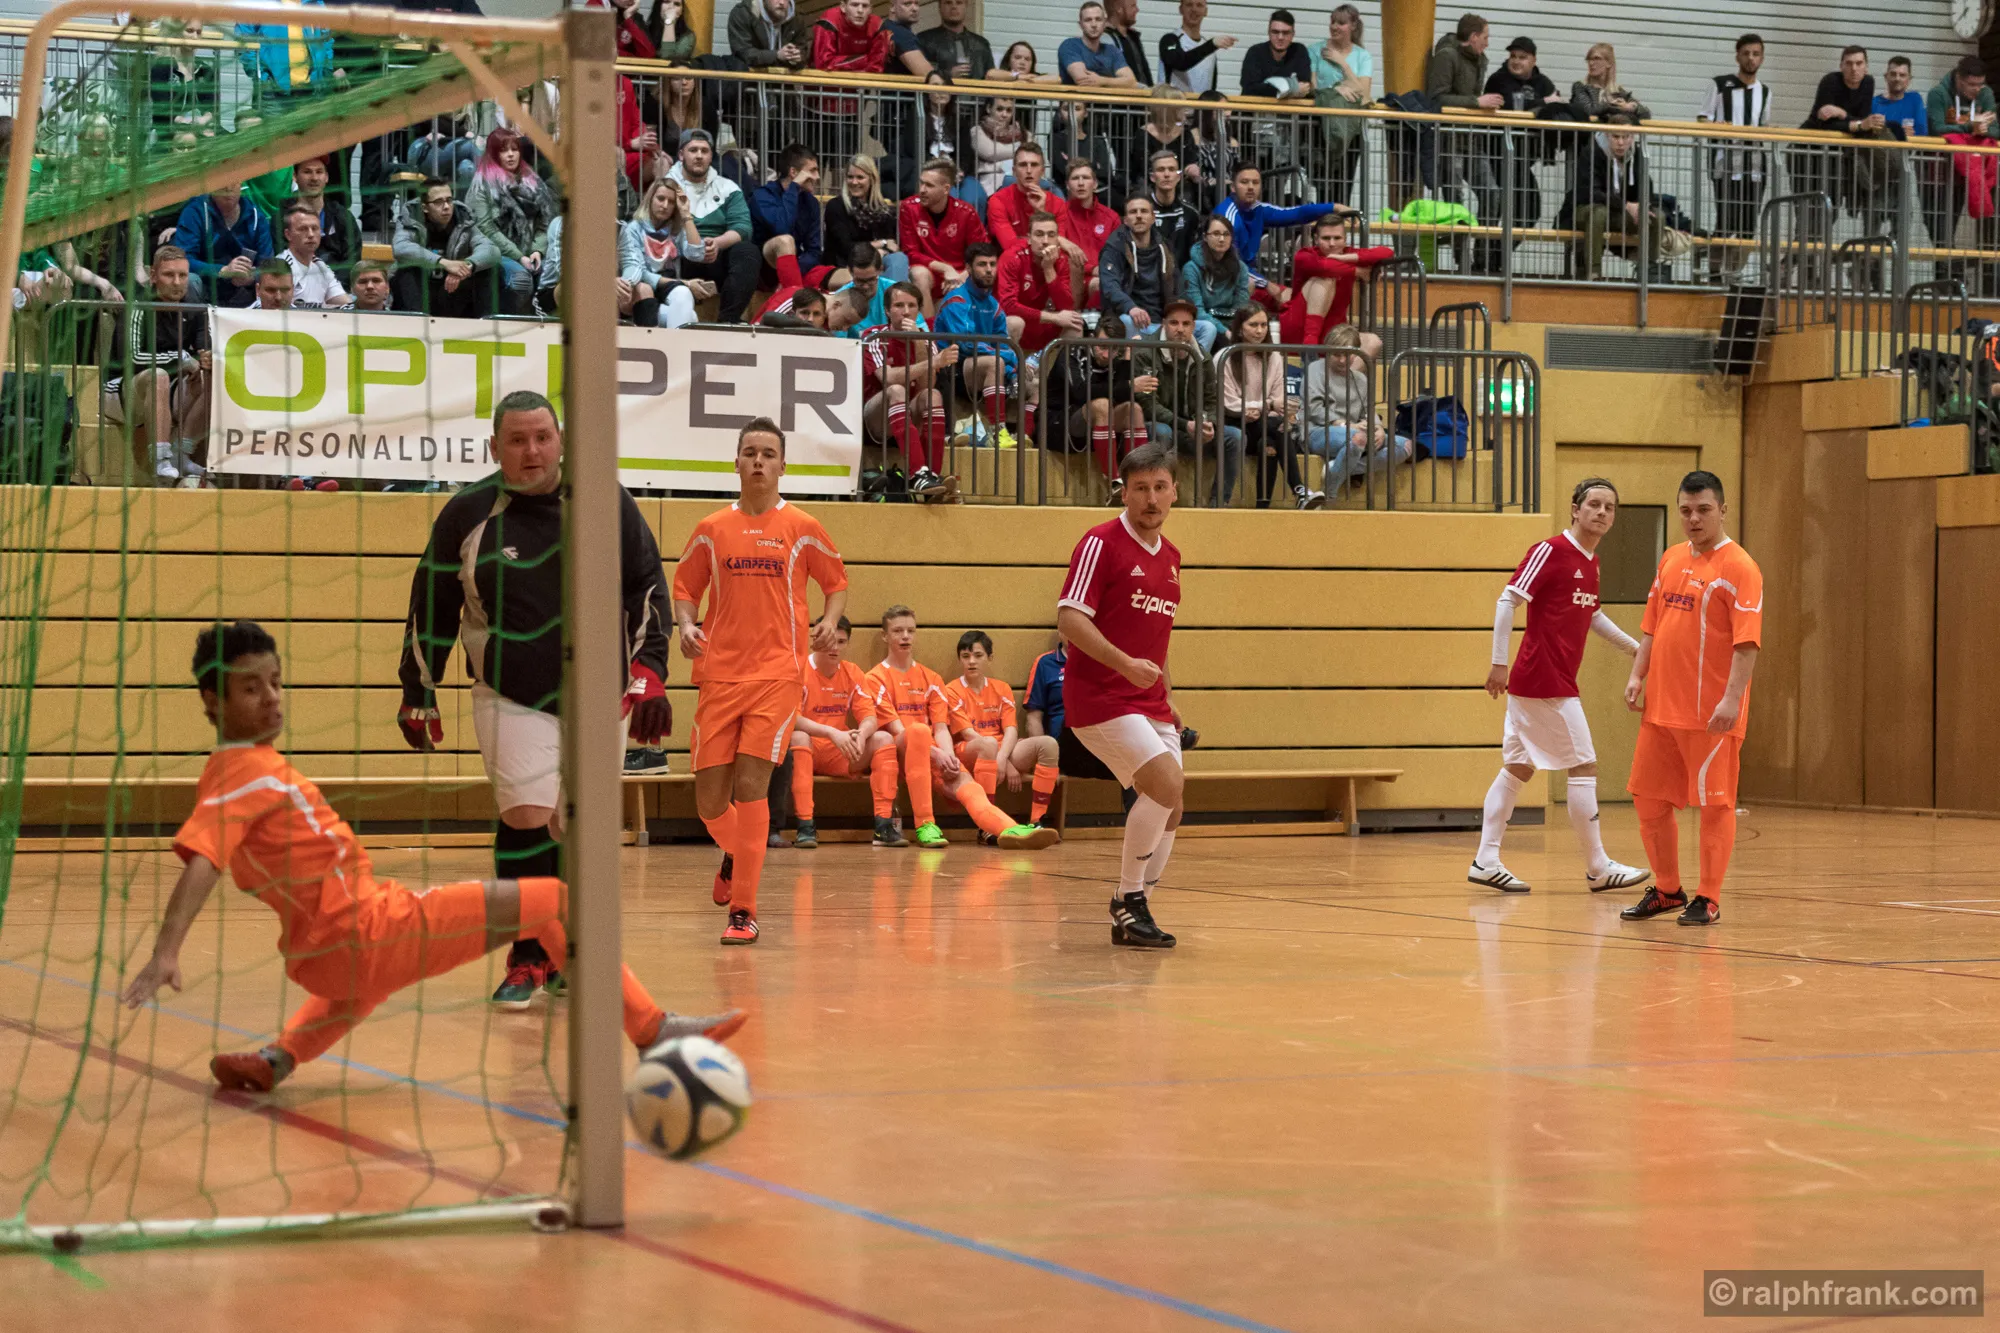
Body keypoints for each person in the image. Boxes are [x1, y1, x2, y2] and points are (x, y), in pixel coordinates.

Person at [122, 621, 741, 1094]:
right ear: (211, 700)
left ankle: (276, 1059)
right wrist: (166, 950)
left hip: (321, 955)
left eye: (276, 683)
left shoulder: (236, 770)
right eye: (250, 688)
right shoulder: (241, 772)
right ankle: (652, 1029)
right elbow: (204, 859)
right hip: (372, 929)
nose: (271, 698)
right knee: (553, 901)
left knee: (361, 986)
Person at [397, 390, 676, 1004]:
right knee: (526, 817)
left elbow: (647, 585)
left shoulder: (606, 501)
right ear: (494, 448)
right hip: (511, 693)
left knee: (576, 831)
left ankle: (570, 948)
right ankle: (527, 956)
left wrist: (649, 671)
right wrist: (420, 689)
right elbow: (432, 604)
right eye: (517, 440)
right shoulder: (467, 514)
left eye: (542, 438)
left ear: (561, 441)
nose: (532, 451)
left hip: (600, 696)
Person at [674, 419, 850, 945]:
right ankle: (737, 852)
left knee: (752, 789)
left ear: (782, 466)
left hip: (778, 676)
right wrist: (685, 624)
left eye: (768, 453)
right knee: (710, 803)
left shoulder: (802, 526)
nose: (758, 461)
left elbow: (836, 582)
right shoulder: (711, 528)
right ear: (736, 463)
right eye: (749, 452)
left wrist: (828, 619)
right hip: (719, 675)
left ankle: (743, 911)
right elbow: (685, 588)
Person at [1469, 478, 1651, 894]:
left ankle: (1485, 861)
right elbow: (1507, 600)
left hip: (1549, 681)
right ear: (1575, 509)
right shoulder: (1550, 551)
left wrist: (1635, 649)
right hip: (1543, 680)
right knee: (1583, 765)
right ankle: (1598, 867)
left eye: (1609, 507)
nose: (1601, 512)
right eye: (1594, 504)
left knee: (1517, 768)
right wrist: (1499, 664)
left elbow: (1593, 615)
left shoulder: (1592, 562)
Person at [1056, 443, 1187, 947]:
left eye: (1160, 487)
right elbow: (1070, 619)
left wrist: (1167, 694)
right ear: (1124, 493)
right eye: (1140, 488)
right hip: (1100, 696)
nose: (1151, 498)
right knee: (1166, 783)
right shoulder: (1100, 542)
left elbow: (1157, 637)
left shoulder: (1172, 558)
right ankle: (1128, 898)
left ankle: (1136, 909)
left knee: (1172, 803)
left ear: (1174, 492)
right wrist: (1125, 665)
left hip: (1148, 701)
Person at [1619, 471, 1762, 928]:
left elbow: (1747, 644)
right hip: (1661, 710)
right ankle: (1667, 890)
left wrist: (1731, 701)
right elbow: (1652, 625)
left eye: (1703, 510)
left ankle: (1709, 898)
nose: (1694, 518)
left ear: (1722, 510)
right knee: (1648, 800)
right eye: (1685, 510)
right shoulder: (1671, 558)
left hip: (1711, 715)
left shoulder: (1740, 568)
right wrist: (1638, 675)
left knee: (1715, 805)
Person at [864, 608, 1051, 849]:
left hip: (934, 753)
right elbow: (898, 730)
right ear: (885, 636)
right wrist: (938, 754)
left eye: (910, 630)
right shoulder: (875, 678)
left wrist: (949, 757)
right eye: (898, 631)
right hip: (900, 752)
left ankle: (1008, 829)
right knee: (918, 731)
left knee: (970, 790)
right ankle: (925, 824)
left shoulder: (932, 678)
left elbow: (941, 728)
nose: (905, 636)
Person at [103, 244, 210, 488]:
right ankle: (160, 460)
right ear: (153, 276)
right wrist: (182, 359)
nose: (177, 282)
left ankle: (181, 453)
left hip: (167, 390)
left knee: (210, 375)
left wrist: (206, 359)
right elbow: (131, 358)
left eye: (182, 275)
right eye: (169, 275)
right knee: (158, 375)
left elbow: (204, 348)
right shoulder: (138, 305)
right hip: (120, 390)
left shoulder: (194, 305)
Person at [786, 616, 894, 849]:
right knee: (798, 736)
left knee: (884, 738)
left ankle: (884, 825)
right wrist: (831, 733)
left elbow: (870, 717)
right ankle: (805, 826)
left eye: (841, 642)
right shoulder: (799, 669)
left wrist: (861, 735)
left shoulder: (852, 672)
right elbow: (792, 719)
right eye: (829, 641)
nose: (834, 647)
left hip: (840, 749)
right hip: (808, 747)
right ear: (816, 639)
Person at [945, 630, 1063, 834]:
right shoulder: (951, 690)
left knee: (1048, 744)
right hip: (970, 752)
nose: (971, 661)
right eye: (965, 656)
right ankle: (986, 828)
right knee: (988, 744)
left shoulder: (1002, 688)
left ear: (989, 658)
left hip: (1001, 752)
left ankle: (1037, 820)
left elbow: (1011, 730)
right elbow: (967, 734)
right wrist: (1004, 763)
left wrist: (1002, 758)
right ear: (960, 660)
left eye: (978, 655)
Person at [861, 281, 960, 497]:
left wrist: (918, 342)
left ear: (918, 310)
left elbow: (925, 386)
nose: (906, 312)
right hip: (874, 420)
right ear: (887, 311)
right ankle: (917, 473)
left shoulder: (925, 339)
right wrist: (933, 362)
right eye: (899, 305)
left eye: (911, 305)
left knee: (933, 395)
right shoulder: (874, 336)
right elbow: (887, 378)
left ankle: (931, 476)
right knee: (897, 390)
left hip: (907, 416)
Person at [1427, 14, 1503, 271]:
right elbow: (1436, 97)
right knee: (1455, 199)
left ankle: (1482, 255)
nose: (1487, 43)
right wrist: (1476, 102)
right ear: (1473, 37)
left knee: (1492, 193)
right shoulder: (1447, 56)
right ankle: (1462, 260)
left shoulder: (1480, 60)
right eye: (1485, 37)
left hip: (1471, 139)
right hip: (1449, 140)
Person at [1137, 299, 1235, 500]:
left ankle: (1219, 503)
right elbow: (1148, 405)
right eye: (1174, 323)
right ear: (1164, 324)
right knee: (1162, 431)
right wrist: (1185, 424)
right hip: (1160, 426)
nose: (1180, 329)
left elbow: (1212, 399)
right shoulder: (1146, 352)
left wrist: (1208, 423)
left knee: (1235, 436)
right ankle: (1160, 499)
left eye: (1186, 324)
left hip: (1191, 427)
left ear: (1193, 327)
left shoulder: (1203, 357)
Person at [1222, 303, 1315, 509]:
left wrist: (1267, 409)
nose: (1259, 330)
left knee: (1270, 440)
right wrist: (1265, 405)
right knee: (1276, 428)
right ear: (1240, 329)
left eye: (1264, 325)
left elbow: (1278, 399)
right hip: (1233, 423)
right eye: (1253, 325)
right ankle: (1299, 490)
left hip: (1263, 424)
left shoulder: (1274, 357)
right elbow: (1229, 403)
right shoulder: (1226, 357)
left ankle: (1263, 509)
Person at [667, 128, 760, 324]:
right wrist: (694, 246)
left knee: (748, 251)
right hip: (681, 257)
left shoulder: (728, 187)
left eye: (704, 151)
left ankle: (728, 320)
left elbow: (743, 227)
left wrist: (717, 243)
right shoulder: (666, 186)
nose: (699, 156)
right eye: (693, 150)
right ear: (681, 155)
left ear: (711, 156)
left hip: (716, 255)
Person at [1699, 34, 1772, 284]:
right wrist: (1718, 127)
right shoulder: (1720, 85)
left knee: (1749, 224)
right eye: (1746, 53)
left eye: (1756, 54)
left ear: (1762, 58)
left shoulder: (1765, 91)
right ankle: (1714, 271)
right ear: (1737, 56)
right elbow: (1702, 119)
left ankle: (1733, 272)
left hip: (1755, 165)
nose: (1751, 58)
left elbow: (1763, 126)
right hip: (1725, 164)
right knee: (1726, 220)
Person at [1302, 322, 1409, 491]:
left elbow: (1369, 411)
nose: (1342, 360)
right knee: (1359, 438)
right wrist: (1345, 424)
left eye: (1348, 354)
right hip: (1319, 430)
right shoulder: (1315, 369)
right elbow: (1314, 409)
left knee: (1405, 445)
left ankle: (1336, 468)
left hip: (1356, 433)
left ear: (1357, 353)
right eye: (1337, 354)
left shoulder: (1360, 379)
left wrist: (1378, 428)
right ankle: (1330, 491)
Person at [1214, 164, 1337, 309]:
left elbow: (1294, 213)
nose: (1251, 187)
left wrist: (1333, 207)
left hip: (1248, 277)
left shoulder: (1257, 209)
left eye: (1255, 182)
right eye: (1244, 182)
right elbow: (1230, 264)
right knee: (1285, 298)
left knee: (1307, 299)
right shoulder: (1227, 217)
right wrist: (1266, 284)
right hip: (1225, 283)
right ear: (1233, 187)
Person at [465, 127, 558, 317]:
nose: (510, 155)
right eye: (503, 150)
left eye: (514, 149)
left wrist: (537, 250)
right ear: (494, 153)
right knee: (520, 279)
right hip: (498, 253)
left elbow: (545, 220)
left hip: (532, 252)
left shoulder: (533, 180)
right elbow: (485, 227)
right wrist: (519, 256)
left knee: (557, 276)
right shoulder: (481, 183)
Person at [1925, 56, 1998, 287]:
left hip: (1975, 168)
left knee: (1977, 225)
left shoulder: (1985, 94)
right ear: (1958, 78)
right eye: (1971, 85)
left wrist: (1981, 130)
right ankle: (1950, 279)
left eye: (1980, 84)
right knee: (1939, 226)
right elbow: (1937, 128)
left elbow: (1996, 129)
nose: (1977, 90)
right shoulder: (1938, 94)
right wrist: (1970, 127)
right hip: (1941, 172)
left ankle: (1968, 281)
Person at [932, 241, 1018, 432]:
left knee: (1034, 382)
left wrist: (1014, 370)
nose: (988, 270)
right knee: (995, 362)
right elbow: (966, 344)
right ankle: (998, 432)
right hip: (951, 369)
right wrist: (1011, 358)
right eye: (982, 264)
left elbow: (1002, 343)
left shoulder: (993, 305)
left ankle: (1025, 434)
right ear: (969, 268)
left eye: (992, 264)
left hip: (979, 366)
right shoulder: (957, 300)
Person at [1278, 212, 1390, 350]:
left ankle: (1335, 363)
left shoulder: (1348, 254)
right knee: (1326, 279)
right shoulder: (1305, 255)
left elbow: (1387, 252)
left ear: (1345, 239)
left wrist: (1343, 258)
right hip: (1298, 328)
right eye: (1326, 238)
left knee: (1373, 342)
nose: (1332, 243)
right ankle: (1310, 345)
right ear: (1316, 239)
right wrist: (1359, 271)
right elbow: (1325, 267)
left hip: (1332, 332)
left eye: (1337, 238)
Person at [1572, 118, 1666, 282]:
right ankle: (1593, 273)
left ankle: (1648, 271)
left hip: (1618, 213)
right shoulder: (1592, 152)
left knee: (1657, 216)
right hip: (1586, 210)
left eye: (1626, 137)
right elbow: (1591, 193)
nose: (1621, 143)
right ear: (1607, 135)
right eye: (1616, 137)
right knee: (1598, 213)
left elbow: (1646, 186)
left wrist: (1642, 206)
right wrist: (1626, 205)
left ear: (1632, 137)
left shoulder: (1638, 154)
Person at [391, 176, 494, 319]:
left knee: (488, 269)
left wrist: (466, 266)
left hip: (452, 289)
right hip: (421, 290)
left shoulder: (463, 218)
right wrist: (444, 263)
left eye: (449, 200)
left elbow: (491, 249)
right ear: (425, 207)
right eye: (438, 202)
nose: (446, 207)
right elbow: (401, 247)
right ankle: (416, 323)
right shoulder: (411, 217)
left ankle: (485, 324)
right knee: (408, 269)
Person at [1046, 337, 1149, 477]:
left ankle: (1139, 477)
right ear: (1093, 339)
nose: (1107, 355)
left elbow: (1121, 397)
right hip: (1059, 422)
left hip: (1099, 422)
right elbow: (1080, 393)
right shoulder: (1073, 352)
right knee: (1102, 404)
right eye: (1102, 347)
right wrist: (1128, 385)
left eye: (1113, 349)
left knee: (1133, 409)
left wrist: (1127, 359)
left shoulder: (1116, 359)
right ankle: (1112, 479)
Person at [901, 158, 993, 314]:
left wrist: (962, 276)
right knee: (919, 274)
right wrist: (945, 268)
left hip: (959, 275)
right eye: (921, 183)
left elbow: (981, 253)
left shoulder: (966, 212)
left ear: (946, 189)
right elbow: (911, 253)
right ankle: (928, 328)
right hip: (929, 272)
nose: (922, 189)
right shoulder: (909, 208)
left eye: (929, 185)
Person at [811, 0, 895, 166]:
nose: (860, 10)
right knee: (814, 162)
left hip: (852, 107)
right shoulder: (829, 20)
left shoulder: (877, 25)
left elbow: (876, 67)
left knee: (845, 163)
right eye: (855, 5)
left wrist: (841, 63)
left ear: (871, 8)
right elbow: (824, 62)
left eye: (865, 6)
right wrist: (864, 59)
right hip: (817, 104)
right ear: (843, 7)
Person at [620, 177, 711, 328]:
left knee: (683, 293)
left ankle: (673, 343)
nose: (665, 205)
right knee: (691, 316)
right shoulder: (634, 229)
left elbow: (697, 254)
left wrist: (686, 215)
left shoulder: (675, 229)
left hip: (667, 287)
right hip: (642, 289)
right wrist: (686, 283)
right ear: (650, 199)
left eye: (671, 202)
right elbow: (640, 273)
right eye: (660, 199)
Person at [998, 210, 1086, 356]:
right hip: (1019, 323)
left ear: (1057, 239)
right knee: (1014, 322)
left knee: (1074, 324)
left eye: (1051, 235)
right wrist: (1054, 317)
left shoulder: (1061, 260)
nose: (1045, 241)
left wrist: (1048, 268)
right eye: (1039, 234)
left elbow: (1066, 305)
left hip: (1042, 325)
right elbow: (1009, 305)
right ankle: (1009, 368)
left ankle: (1059, 370)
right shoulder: (1012, 257)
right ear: (1029, 238)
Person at [173, 182, 271, 309]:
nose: (228, 188)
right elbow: (183, 260)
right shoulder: (195, 211)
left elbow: (268, 265)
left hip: (244, 290)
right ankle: (193, 320)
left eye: (234, 182)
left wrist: (252, 277)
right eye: (223, 182)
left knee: (271, 280)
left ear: (241, 183)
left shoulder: (256, 216)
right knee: (190, 280)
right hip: (205, 287)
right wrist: (222, 271)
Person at [1311, 5, 1372, 203]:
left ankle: (1339, 222)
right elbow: (1313, 86)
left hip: (1351, 129)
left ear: (1353, 26)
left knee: (1343, 187)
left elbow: (1364, 95)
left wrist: (1343, 64)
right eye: (1332, 21)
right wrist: (1336, 88)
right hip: (1321, 127)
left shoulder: (1362, 56)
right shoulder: (1315, 50)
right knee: (1323, 185)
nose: (1334, 26)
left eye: (1341, 23)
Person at [1099, 193, 1181, 337]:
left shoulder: (1164, 247)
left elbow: (1177, 285)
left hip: (1161, 319)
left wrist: (1177, 313)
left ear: (1153, 218)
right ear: (1125, 220)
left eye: (1144, 211)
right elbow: (1110, 286)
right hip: (1128, 316)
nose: (1138, 216)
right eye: (1133, 212)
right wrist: (1131, 307)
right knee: (1127, 321)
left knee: (1207, 328)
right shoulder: (1114, 247)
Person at [824, 156, 911, 290]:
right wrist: (880, 245)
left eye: (860, 177)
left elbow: (893, 245)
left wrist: (880, 251)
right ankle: (891, 299)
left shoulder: (883, 210)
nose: (854, 182)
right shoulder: (836, 206)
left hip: (875, 263)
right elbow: (846, 248)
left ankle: (893, 300)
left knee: (898, 259)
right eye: (850, 177)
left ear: (872, 179)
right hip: (844, 264)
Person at [752, 143, 829, 286]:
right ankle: (793, 296)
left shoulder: (811, 202)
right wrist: (793, 187)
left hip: (797, 268)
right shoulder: (763, 196)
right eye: (812, 171)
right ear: (793, 172)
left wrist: (794, 271)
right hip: (764, 270)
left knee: (843, 276)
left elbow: (814, 250)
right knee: (785, 241)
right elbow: (782, 228)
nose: (817, 177)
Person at [278, 155, 359, 278]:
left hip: (336, 285)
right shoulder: (281, 218)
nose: (314, 178)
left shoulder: (343, 217)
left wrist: (333, 286)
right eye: (307, 172)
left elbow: (352, 262)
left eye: (319, 172)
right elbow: (281, 259)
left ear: (326, 177)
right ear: (295, 177)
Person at [1184, 213, 1251, 349]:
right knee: (1216, 334)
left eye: (1226, 234)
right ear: (1205, 237)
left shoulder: (1241, 268)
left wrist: (1236, 330)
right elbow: (1197, 311)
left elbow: (1241, 307)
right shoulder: (1191, 268)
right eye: (1216, 234)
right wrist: (1224, 331)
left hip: (1231, 324)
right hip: (1205, 324)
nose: (1221, 239)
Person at [988, 142, 1064, 249]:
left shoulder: (1058, 204)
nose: (1029, 171)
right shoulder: (998, 200)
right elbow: (1010, 245)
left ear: (1042, 171)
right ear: (1014, 171)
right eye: (1023, 165)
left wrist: (1041, 212)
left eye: (1034, 165)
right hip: (1012, 258)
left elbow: (1056, 247)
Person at [1058, 158, 1121, 276]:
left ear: (1095, 184)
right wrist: (1091, 269)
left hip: (1103, 276)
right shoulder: (1058, 214)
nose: (1081, 183)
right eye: (1075, 178)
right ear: (1067, 185)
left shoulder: (1111, 217)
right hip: (1069, 278)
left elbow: (1117, 255)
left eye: (1086, 178)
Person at [277, 205, 349, 308]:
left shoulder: (321, 266)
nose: (311, 234)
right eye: (303, 229)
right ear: (288, 235)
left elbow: (346, 304)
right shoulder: (281, 267)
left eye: (315, 228)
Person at [1159, 0, 1235, 98]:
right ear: (1181, 9)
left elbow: (1211, 87)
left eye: (1199, 5)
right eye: (1189, 4)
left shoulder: (1210, 48)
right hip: (1172, 106)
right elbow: (1179, 62)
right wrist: (1211, 45)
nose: (1194, 9)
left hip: (1201, 107)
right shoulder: (1170, 39)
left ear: (1206, 11)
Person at [1146, 149, 1204, 268]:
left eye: (1172, 169)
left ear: (1179, 177)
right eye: (1161, 170)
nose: (1167, 174)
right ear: (1152, 177)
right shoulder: (1142, 211)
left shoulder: (1191, 214)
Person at [1059, 2, 1137, 89]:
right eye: (1088, 20)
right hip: (1079, 98)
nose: (1094, 25)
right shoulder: (1070, 46)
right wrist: (1116, 81)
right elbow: (1083, 80)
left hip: (1107, 98)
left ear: (1104, 23)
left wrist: (1102, 81)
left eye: (1098, 19)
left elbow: (1131, 82)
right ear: (1080, 25)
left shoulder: (1112, 51)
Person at [1241, 9, 1313, 100]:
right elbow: (1249, 89)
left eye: (1285, 33)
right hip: (1257, 108)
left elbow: (1304, 87)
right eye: (1275, 32)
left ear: (1293, 34)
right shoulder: (1255, 52)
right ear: (1268, 32)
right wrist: (1292, 89)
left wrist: (1267, 88)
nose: (1280, 37)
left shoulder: (1299, 51)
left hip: (1288, 109)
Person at [1571, 42, 1648, 122]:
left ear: (1609, 63)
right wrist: (1612, 106)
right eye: (1589, 59)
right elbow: (1588, 111)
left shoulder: (1617, 90)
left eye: (1597, 59)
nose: (1591, 63)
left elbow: (1646, 114)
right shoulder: (1580, 86)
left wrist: (1632, 107)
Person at [921, 0, 995, 81]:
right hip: (942, 89)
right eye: (948, 2)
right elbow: (921, 75)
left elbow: (991, 77)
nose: (954, 7)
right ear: (939, 7)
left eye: (959, 2)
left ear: (966, 6)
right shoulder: (925, 40)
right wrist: (948, 75)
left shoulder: (981, 44)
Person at [1484, 36, 1555, 113]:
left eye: (1522, 57)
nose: (1516, 62)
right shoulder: (1497, 80)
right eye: (1513, 56)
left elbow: (1556, 105)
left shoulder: (1543, 82)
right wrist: (1544, 102)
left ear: (1534, 61)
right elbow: (1511, 106)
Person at [971, 98, 1025, 197]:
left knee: (1049, 187)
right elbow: (990, 152)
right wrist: (1020, 149)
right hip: (991, 180)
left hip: (1021, 176)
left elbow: (1033, 153)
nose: (1004, 114)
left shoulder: (1023, 132)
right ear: (989, 109)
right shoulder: (977, 130)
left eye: (1009, 110)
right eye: (999, 109)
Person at [1103, 0, 1154, 88]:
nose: (1137, 10)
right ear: (1119, 9)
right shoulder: (1105, 39)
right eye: (1132, 6)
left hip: (1143, 94)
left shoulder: (1132, 36)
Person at [1874, 56, 1927, 139]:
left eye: (1902, 75)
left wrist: (1912, 134)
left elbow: (1922, 133)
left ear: (1909, 79)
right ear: (1886, 77)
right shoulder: (1874, 104)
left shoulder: (1915, 100)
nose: (1897, 79)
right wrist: (1900, 133)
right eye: (1893, 74)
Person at [882, 0, 938, 78]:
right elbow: (928, 75)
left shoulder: (887, 28)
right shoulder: (900, 34)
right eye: (907, 4)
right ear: (892, 7)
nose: (914, 9)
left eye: (916, 3)